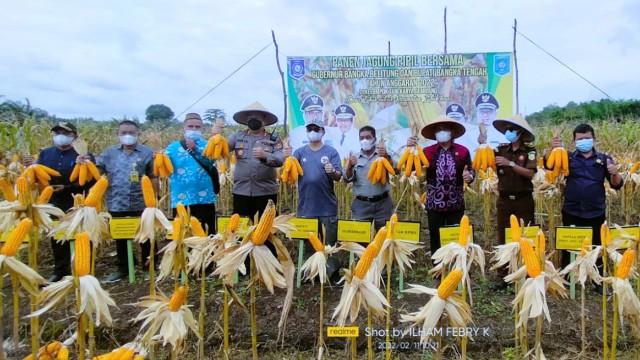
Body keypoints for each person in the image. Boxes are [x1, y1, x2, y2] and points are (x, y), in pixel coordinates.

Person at [549, 123, 623, 266]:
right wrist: (552, 149)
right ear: (574, 142)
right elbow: (549, 165)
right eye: (580, 139)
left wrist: (615, 173)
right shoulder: (567, 157)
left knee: (596, 248)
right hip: (572, 210)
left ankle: (597, 280)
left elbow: (616, 184)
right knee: (570, 248)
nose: (583, 141)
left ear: (594, 139)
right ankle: (569, 277)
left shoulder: (604, 159)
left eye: (587, 138)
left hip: (595, 212)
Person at [96, 120, 155, 283]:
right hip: (116, 201)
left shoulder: (147, 153)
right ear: (118, 134)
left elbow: (153, 177)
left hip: (142, 201)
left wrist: (154, 200)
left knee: (147, 236)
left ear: (138, 134)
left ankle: (148, 266)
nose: (127, 136)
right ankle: (123, 268)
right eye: (123, 133)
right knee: (120, 236)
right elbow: (97, 171)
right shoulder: (109, 154)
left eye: (131, 132)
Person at [407, 117, 474, 254]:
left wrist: (470, 176)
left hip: (456, 204)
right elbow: (412, 169)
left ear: (452, 132)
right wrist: (410, 150)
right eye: (438, 129)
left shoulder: (463, 151)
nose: (441, 132)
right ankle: (437, 270)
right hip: (434, 204)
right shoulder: (427, 152)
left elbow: (471, 170)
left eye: (445, 129)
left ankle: (455, 268)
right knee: (436, 239)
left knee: (455, 240)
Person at [36, 122, 92, 282]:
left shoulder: (83, 154)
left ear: (74, 135)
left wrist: (67, 187)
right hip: (53, 202)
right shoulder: (45, 154)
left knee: (81, 236)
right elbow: (39, 176)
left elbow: (90, 181)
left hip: (77, 202)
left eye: (65, 132)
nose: (60, 135)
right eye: (57, 132)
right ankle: (60, 270)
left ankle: (83, 269)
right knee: (58, 238)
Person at [291, 117, 342, 276]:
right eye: (310, 129)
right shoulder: (299, 153)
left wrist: (332, 171)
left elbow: (338, 176)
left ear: (322, 132)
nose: (313, 132)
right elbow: (289, 174)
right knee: (308, 243)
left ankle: (331, 273)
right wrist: (287, 159)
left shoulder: (331, 152)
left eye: (316, 129)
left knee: (330, 244)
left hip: (327, 206)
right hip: (306, 206)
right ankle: (309, 273)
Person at [225, 101, 283, 219]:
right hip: (241, 191)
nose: (253, 119)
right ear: (246, 120)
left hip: (266, 192)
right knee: (241, 230)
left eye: (257, 117)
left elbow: (280, 159)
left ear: (264, 120)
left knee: (266, 230)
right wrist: (216, 137)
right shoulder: (237, 137)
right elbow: (221, 150)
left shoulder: (273, 139)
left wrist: (266, 156)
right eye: (250, 117)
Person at [165, 113, 218, 235]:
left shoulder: (208, 145)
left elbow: (212, 162)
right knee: (183, 235)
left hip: (205, 197)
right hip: (181, 198)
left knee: (207, 233)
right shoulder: (172, 148)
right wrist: (157, 158)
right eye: (190, 126)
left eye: (197, 127)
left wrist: (196, 150)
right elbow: (164, 169)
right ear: (184, 127)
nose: (194, 129)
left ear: (202, 128)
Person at [492, 115, 537, 245]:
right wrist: (482, 143)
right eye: (507, 129)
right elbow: (485, 161)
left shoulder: (530, 151)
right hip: (504, 200)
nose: (508, 132)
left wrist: (510, 164)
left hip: (523, 200)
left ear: (520, 132)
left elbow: (530, 173)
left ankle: (525, 263)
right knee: (504, 236)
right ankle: (505, 265)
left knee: (526, 236)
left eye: (511, 129)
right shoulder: (500, 150)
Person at [344, 126, 393, 230]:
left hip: (383, 204)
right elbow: (347, 179)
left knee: (384, 239)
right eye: (361, 138)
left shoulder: (383, 154)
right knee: (361, 241)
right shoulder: (355, 157)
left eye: (368, 137)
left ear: (374, 139)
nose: (364, 140)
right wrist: (349, 166)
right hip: (362, 205)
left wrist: (386, 157)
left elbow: (395, 170)